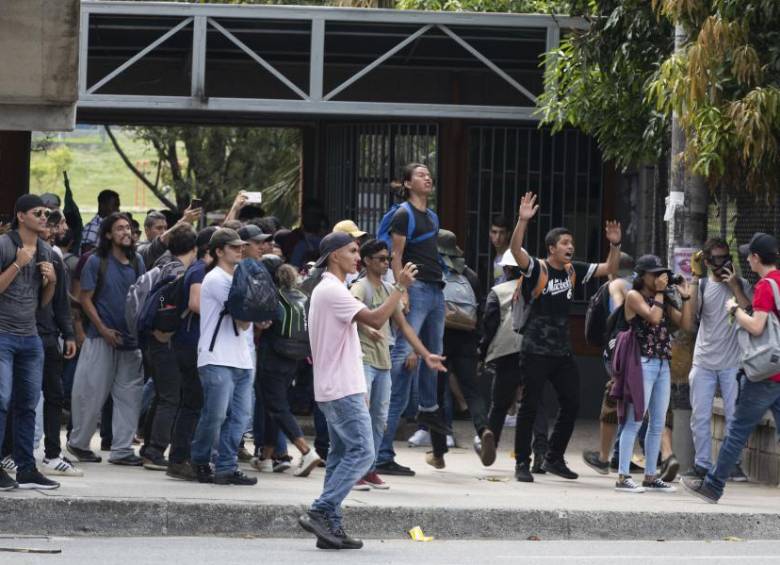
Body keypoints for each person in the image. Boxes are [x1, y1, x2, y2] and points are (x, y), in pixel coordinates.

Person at [298, 231, 444, 550]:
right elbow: (378, 319)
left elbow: (364, 324)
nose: (356, 256)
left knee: (340, 456)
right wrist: (401, 286)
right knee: (364, 453)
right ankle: (322, 510)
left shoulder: (331, 289)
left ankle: (331, 527)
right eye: (352, 251)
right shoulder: (333, 290)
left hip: (337, 385)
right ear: (335, 255)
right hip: (341, 387)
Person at [489, 192, 622, 483]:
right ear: (551, 248)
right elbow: (516, 248)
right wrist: (522, 221)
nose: (570, 246)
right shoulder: (538, 267)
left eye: (572, 243)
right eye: (565, 243)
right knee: (530, 406)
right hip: (535, 349)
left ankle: (553, 458)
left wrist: (615, 245)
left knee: (572, 403)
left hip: (561, 352)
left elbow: (610, 268)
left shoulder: (574, 270)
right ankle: (522, 462)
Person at [682, 233, 780, 503]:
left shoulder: (760, 285)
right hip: (765, 367)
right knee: (706, 418)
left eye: (747, 255)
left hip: (758, 370)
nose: (744, 259)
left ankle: (714, 485)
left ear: (757, 258)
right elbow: (690, 322)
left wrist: (735, 304)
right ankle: (706, 470)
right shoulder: (777, 282)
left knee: (736, 429)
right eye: (717, 259)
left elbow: (756, 323)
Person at [351, 238, 448, 488]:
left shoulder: (386, 290)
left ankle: (369, 468)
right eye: (381, 259)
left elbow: (405, 327)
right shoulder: (360, 287)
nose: (386, 263)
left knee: (379, 418)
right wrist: (366, 325)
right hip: (363, 360)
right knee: (361, 418)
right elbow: (352, 315)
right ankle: (356, 471)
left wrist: (426, 354)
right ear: (367, 261)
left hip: (382, 362)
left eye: (388, 259)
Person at [375, 163, 448, 478]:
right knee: (403, 363)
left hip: (436, 290)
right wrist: (401, 291)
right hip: (415, 291)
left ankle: (429, 410)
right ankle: (381, 454)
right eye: (420, 174)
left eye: (429, 173)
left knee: (433, 356)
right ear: (407, 183)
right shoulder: (403, 214)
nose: (427, 177)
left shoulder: (432, 217)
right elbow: (395, 255)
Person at [67, 213, 146, 466]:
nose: (127, 232)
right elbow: (85, 299)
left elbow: (149, 294)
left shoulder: (138, 261)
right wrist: (101, 329)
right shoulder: (95, 261)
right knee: (90, 393)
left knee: (130, 397)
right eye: (120, 228)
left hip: (130, 343)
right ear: (109, 235)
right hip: (100, 339)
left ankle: (122, 450)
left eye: (129, 228)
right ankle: (78, 444)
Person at [613, 254, 693, 493]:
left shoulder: (663, 298)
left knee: (657, 422)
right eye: (655, 273)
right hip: (641, 363)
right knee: (635, 419)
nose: (661, 277)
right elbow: (653, 317)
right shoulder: (633, 296)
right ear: (642, 276)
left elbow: (686, 325)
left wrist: (685, 298)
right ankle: (622, 476)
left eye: (663, 273)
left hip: (661, 363)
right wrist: (660, 292)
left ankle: (650, 475)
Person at [0, 195, 60, 491]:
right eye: (38, 212)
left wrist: (52, 282)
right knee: (1, 400)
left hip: (30, 336)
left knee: (27, 405)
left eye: (47, 213)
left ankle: (26, 469)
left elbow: (43, 304)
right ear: (21, 216)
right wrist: (17, 265)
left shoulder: (47, 249)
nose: (44, 217)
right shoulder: (4, 245)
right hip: (2, 335)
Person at [189, 228, 257, 486]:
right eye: (233, 246)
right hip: (216, 357)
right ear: (219, 251)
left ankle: (226, 467)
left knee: (239, 417)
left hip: (241, 359)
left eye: (241, 246)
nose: (240, 249)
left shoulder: (235, 278)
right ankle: (200, 459)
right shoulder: (216, 279)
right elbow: (243, 319)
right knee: (215, 415)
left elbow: (246, 322)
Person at [683, 239, 752, 480]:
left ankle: (731, 464)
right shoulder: (701, 286)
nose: (723, 263)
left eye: (726, 257)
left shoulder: (740, 284)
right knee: (700, 416)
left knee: (735, 416)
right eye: (718, 258)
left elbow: (750, 311)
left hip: (732, 363)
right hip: (703, 362)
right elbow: (690, 321)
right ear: (709, 261)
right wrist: (693, 277)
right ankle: (702, 464)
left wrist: (734, 285)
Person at [479, 249, 549, 473]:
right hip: (535, 351)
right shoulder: (538, 290)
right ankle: (540, 454)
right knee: (535, 404)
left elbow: (489, 324)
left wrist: (481, 353)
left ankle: (491, 440)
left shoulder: (497, 292)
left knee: (499, 404)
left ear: (507, 269)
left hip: (506, 352)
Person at [140, 225, 198, 471]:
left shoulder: (164, 264)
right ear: (194, 249)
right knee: (170, 397)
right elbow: (166, 301)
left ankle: (148, 446)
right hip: (166, 342)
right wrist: (166, 324)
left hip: (155, 341)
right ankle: (155, 450)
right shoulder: (178, 273)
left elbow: (161, 300)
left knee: (162, 394)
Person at [427, 229, 487, 469]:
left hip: (437, 339)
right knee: (472, 390)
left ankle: (439, 451)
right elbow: (480, 311)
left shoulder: (432, 273)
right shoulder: (470, 276)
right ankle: (484, 432)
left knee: (436, 395)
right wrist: (479, 343)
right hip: (466, 339)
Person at [256, 261, 320, 477]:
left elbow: (261, 327)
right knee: (271, 406)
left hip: (272, 356)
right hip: (295, 358)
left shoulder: (272, 297)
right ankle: (266, 457)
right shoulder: (302, 297)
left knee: (276, 406)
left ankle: (306, 451)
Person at [165, 226, 216, 481]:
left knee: (194, 401)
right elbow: (195, 304)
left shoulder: (201, 270)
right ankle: (178, 458)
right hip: (189, 344)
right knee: (192, 402)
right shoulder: (198, 270)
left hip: (192, 343)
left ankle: (185, 456)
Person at [582, 253, 636, 474]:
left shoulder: (615, 285)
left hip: (620, 351)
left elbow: (618, 314)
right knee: (634, 405)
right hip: (648, 353)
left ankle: (605, 457)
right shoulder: (643, 284)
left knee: (615, 401)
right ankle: (621, 455)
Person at [35, 218, 80, 477]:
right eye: (55, 224)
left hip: (49, 334)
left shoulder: (53, 256)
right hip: (22, 333)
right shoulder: (14, 250)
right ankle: (12, 453)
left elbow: (61, 300)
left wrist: (69, 334)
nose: (59, 229)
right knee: (19, 397)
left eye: (59, 224)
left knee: (54, 393)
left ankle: (52, 453)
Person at [490, 216, 511, 285]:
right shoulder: (497, 256)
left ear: (508, 234)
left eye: (501, 233)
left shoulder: (512, 256)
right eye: (494, 232)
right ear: (490, 234)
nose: (498, 237)